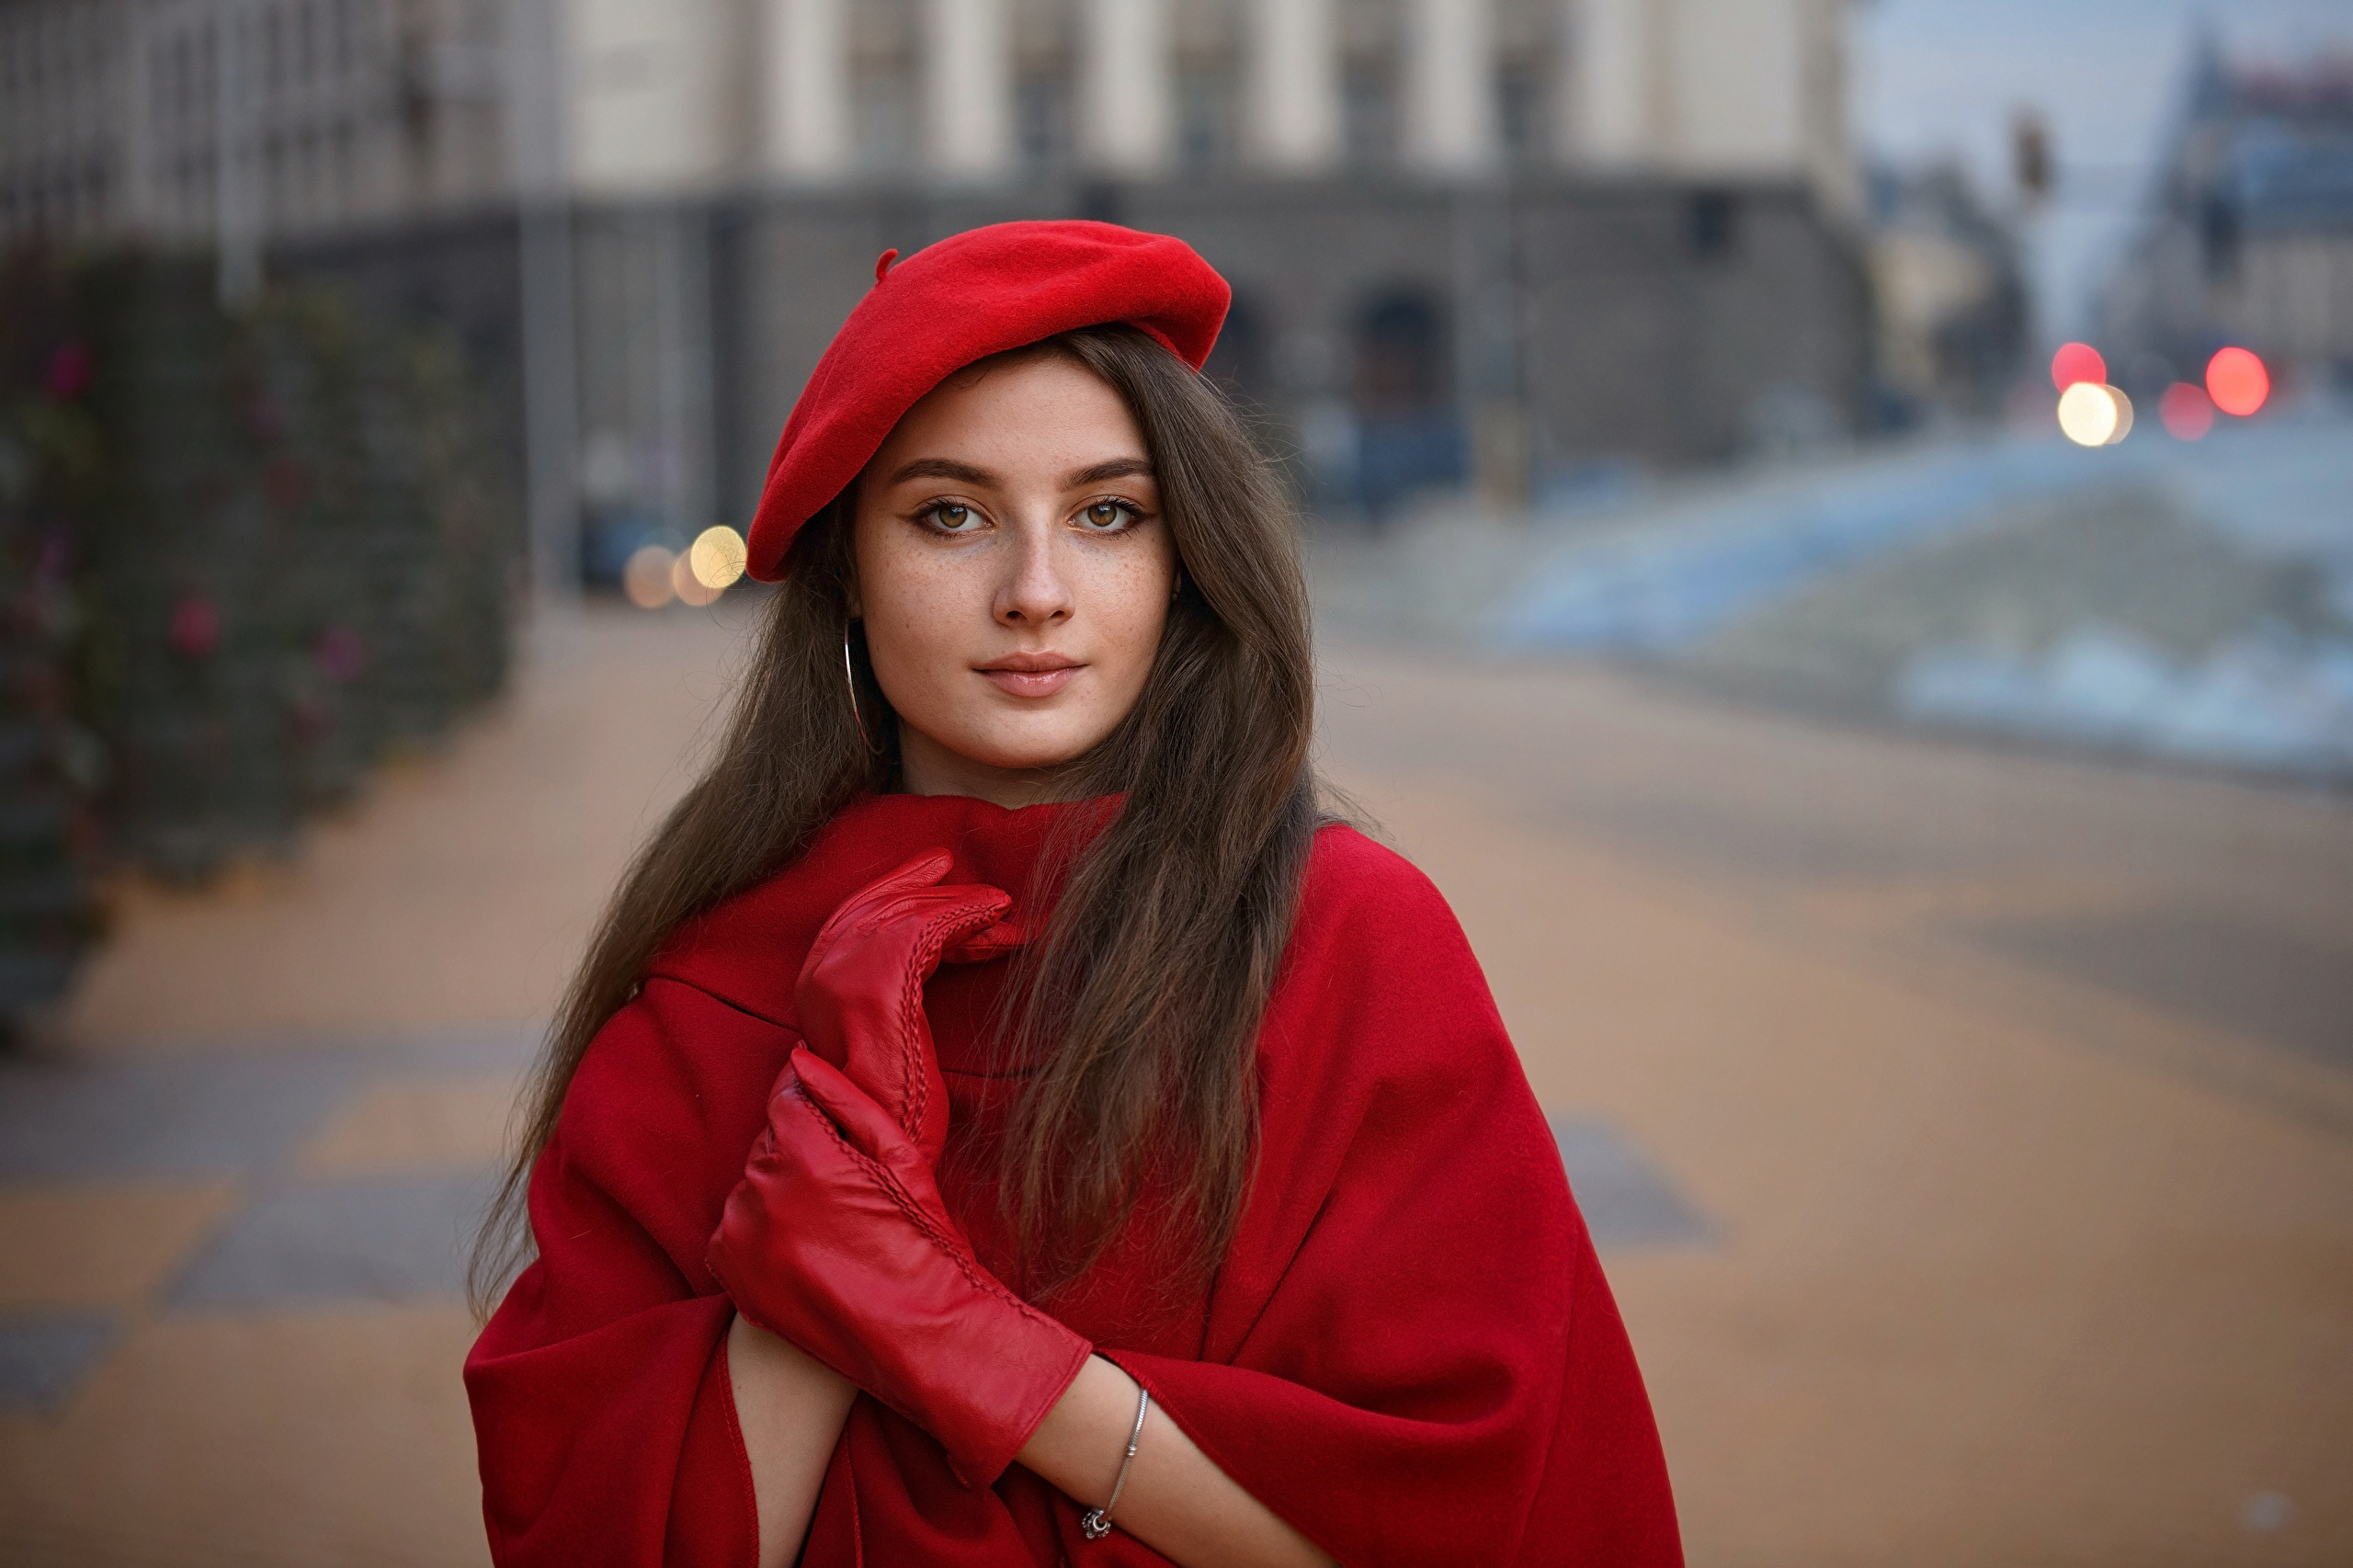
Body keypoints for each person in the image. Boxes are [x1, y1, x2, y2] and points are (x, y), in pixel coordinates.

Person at [464, 220, 1682, 1568]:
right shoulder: (714, 990)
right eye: (951, 514)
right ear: (850, 577)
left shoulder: (1344, 942)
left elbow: (1469, 1523)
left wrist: (955, 1335)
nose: (1034, 592)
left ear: (1182, 564)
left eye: (1107, 514)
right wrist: (817, 1221)